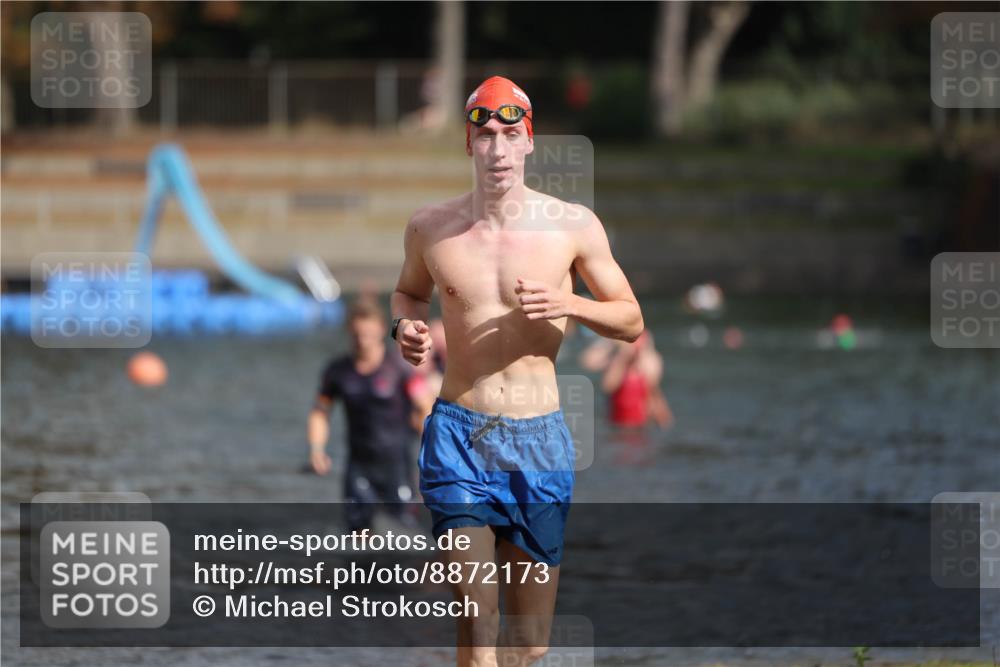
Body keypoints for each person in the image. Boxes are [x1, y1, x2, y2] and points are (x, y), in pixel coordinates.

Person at [391, 75, 643, 667]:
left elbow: (631, 321)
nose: (497, 150)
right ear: (468, 145)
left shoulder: (573, 225)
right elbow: (407, 294)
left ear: (529, 142)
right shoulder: (431, 227)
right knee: (479, 629)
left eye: (510, 135)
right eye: (485, 137)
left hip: (540, 441)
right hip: (459, 437)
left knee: (528, 643)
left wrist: (570, 304)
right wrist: (406, 329)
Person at [307, 298, 432, 533]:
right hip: (359, 467)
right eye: (357, 334)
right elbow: (320, 412)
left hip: (397, 467)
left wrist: (432, 449)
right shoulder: (338, 372)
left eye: (367, 333)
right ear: (349, 331)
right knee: (357, 537)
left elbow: (426, 407)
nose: (362, 339)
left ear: (381, 329)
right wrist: (316, 449)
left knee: (407, 535)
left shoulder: (399, 368)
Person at [601, 330, 673, 430]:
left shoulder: (648, 367)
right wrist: (623, 360)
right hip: (617, 424)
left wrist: (663, 419)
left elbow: (655, 395)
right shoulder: (618, 364)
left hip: (639, 424)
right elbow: (608, 387)